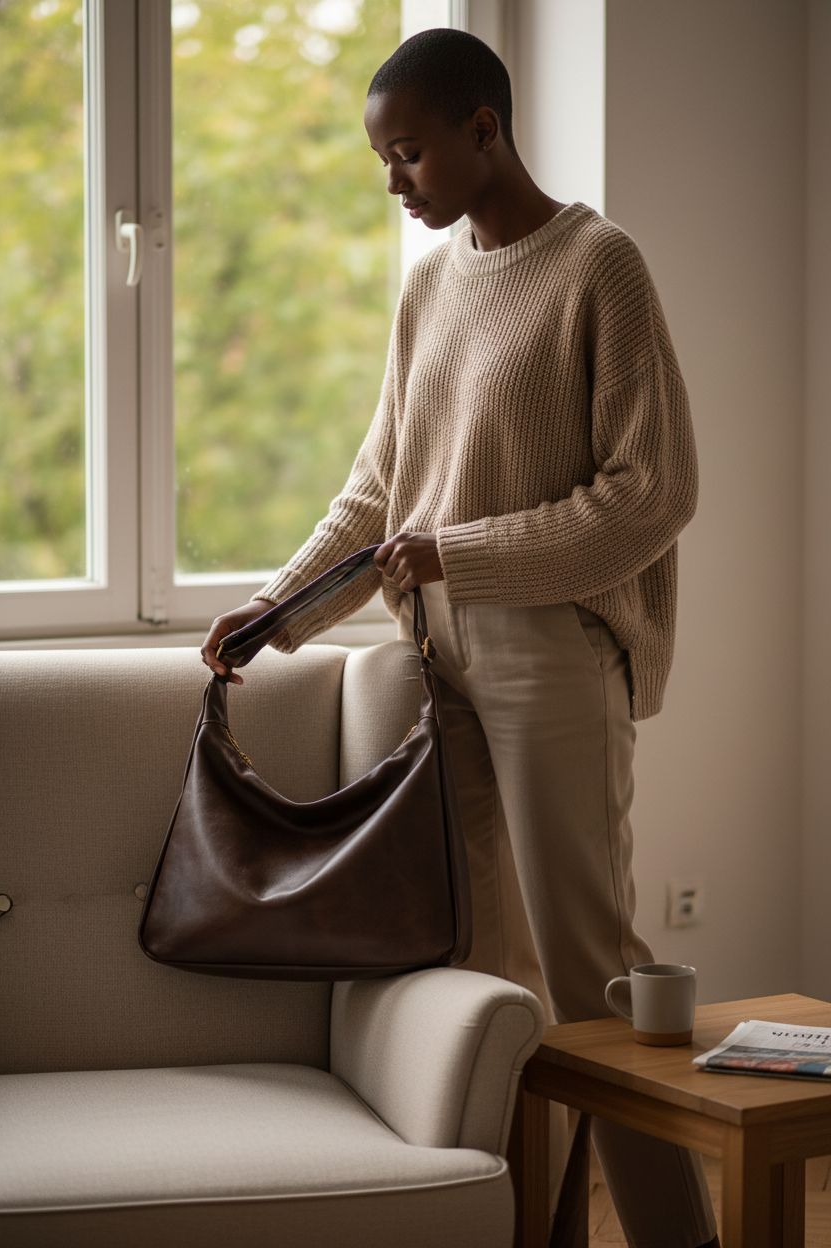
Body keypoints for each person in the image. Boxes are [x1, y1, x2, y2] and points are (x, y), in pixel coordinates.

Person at [201, 26, 719, 1248]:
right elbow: (384, 487)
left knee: (593, 964)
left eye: (409, 154)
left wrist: (463, 553)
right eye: (385, 158)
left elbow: (653, 494)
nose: (394, 181)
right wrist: (278, 610)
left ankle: (676, 1237)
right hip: (437, 660)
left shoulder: (601, 266)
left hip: (549, 650)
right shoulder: (430, 285)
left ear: (484, 131)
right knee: (489, 976)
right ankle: (533, 1226)